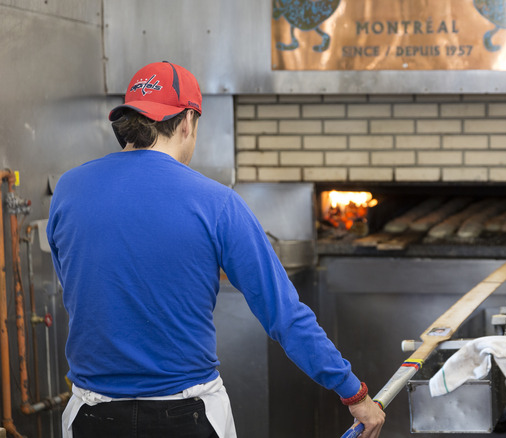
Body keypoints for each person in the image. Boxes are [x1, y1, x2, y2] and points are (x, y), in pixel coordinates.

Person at [47, 61, 384, 438]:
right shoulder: (216, 202)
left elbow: (75, 288)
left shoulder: (68, 189)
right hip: (188, 416)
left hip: (92, 417)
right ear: (188, 121)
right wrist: (353, 392)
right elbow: (284, 316)